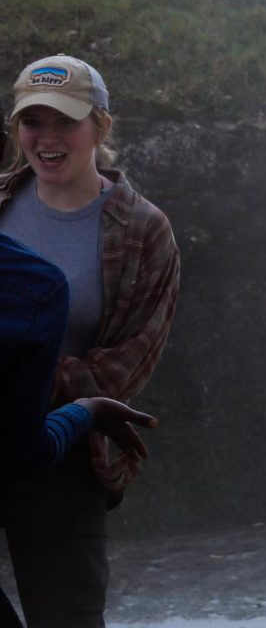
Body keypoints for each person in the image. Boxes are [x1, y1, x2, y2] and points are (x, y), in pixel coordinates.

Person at [0, 55, 180, 628]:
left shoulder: (144, 230)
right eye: (34, 122)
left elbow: (129, 365)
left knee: (68, 619)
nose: (47, 139)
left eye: (66, 122)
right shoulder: (0, 204)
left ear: (101, 127)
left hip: (67, 454)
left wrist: (25, 376)